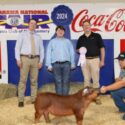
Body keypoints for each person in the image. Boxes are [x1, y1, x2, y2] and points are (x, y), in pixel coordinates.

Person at [15, 18, 44, 107]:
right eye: (31, 23)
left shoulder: (38, 36)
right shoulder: (22, 34)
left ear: (36, 26)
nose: (33, 25)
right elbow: (17, 48)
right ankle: (20, 100)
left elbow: (42, 49)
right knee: (23, 80)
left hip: (35, 59)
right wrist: (18, 59)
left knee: (34, 81)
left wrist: (41, 61)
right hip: (25, 59)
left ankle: (33, 99)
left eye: (35, 24)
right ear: (28, 24)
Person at [76, 20, 105, 104]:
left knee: (96, 80)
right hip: (84, 60)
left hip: (95, 60)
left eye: (88, 25)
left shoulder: (97, 36)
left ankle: (96, 97)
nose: (86, 27)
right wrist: (80, 50)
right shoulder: (81, 38)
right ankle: (86, 98)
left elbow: (102, 48)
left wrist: (102, 60)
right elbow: (77, 49)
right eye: (84, 25)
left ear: (90, 26)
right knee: (86, 79)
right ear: (83, 27)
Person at [46, 26, 75, 95]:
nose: (60, 31)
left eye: (62, 30)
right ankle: (59, 100)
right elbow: (48, 53)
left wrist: (73, 63)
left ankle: (65, 100)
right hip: (55, 64)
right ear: (56, 32)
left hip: (66, 64)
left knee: (66, 81)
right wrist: (49, 65)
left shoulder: (68, 41)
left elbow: (72, 53)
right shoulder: (52, 42)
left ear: (64, 32)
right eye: (58, 30)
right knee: (58, 81)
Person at [100, 52, 125, 120]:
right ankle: (123, 109)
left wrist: (106, 88)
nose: (120, 62)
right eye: (119, 60)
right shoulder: (123, 69)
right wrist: (117, 81)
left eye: (122, 60)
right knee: (114, 91)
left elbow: (122, 83)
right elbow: (120, 81)